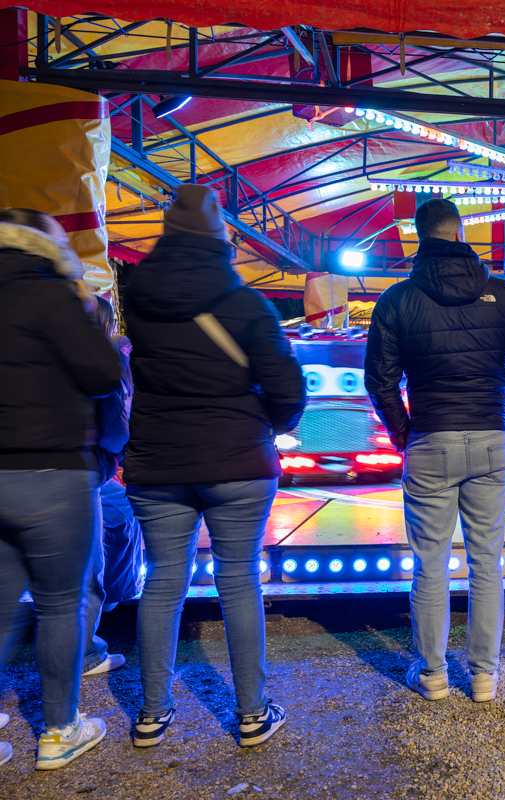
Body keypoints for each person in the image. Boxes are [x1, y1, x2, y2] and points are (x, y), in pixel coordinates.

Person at [123, 185, 305, 748]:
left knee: (162, 583)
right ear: (221, 239)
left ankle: (152, 714)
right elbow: (287, 387)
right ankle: (252, 715)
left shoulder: (138, 299)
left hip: (157, 460)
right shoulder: (247, 305)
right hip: (237, 459)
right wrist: (269, 423)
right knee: (238, 580)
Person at [365, 198, 505, 703]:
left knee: (431, 563)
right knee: (487, 560)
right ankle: (484, 676)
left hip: (430, 439)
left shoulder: (396, 299)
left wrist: (404, 432)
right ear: (461, 233)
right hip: (489, 438)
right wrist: (495, 395)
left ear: (417, 236)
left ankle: (433, 676)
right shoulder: (503, 293)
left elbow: (380, 381)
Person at [0, 208, 122, 768]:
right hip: (52, 471)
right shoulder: (51, 294)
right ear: (44, 245)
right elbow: (102, 374)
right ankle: (59, 730)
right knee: (60, 604)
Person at [80, 297, 142, 678]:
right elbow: (118, 426)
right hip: (83, 468)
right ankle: (87, 649)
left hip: (47, 465)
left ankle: (111, 599)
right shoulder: (104, 358)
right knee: (89, 564)